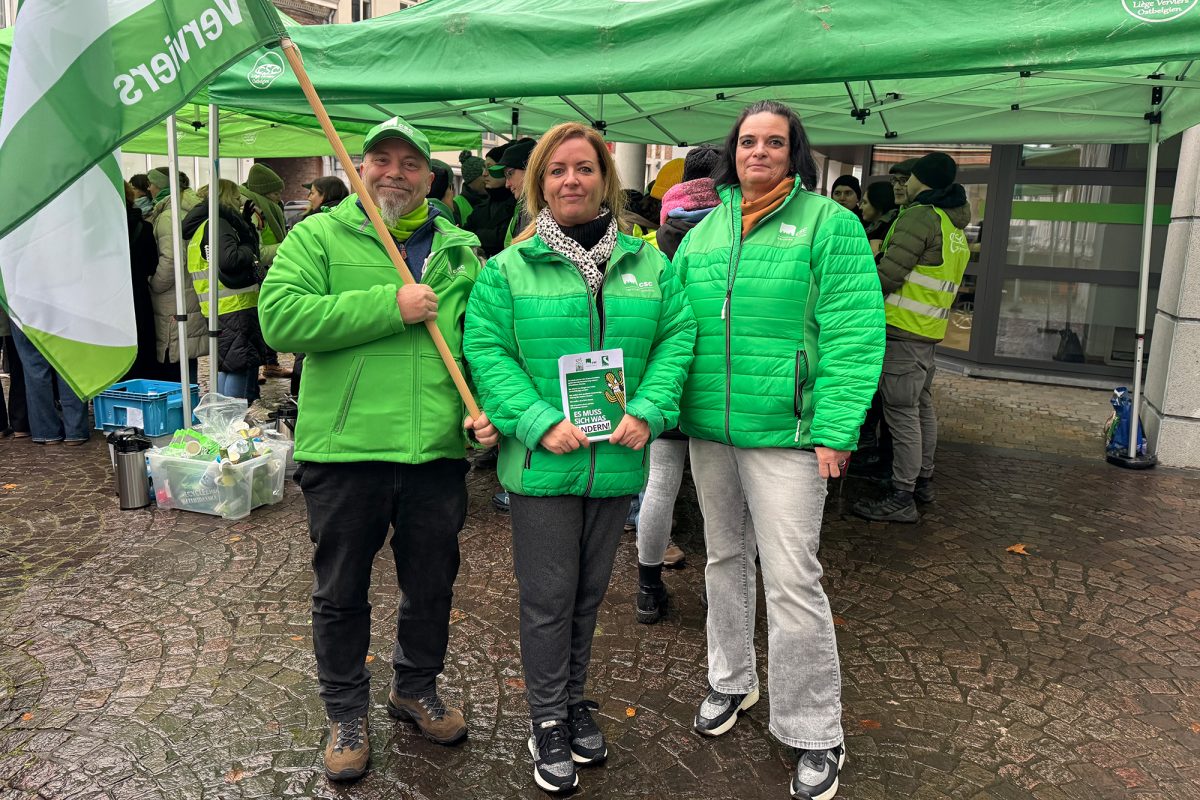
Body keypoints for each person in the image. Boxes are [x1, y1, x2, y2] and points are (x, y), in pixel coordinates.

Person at [258, 116, 497, 783]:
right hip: (346, 451)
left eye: (409, 163)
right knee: (341, 591)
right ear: (361, 168)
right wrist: (389, 304)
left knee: (431, 586)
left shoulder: (458, 250)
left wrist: (485, 409)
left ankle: (414, 688)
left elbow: (478, 345)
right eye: (380, 160)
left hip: (433, 455)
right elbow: (281, 319)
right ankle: (344, 711)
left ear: (430, 175)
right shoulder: (319, 236)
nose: (394, 172)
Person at [464, 121, 695, 794]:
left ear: (604, 179)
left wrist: (648, 410)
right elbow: (488, 352)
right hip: (545, 465)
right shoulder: (507, 269)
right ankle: (546, 720)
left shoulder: (649, 264)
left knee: (589, 596)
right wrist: (537, 423)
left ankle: (569, 701)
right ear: (540, 182)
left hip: (616, 458)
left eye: (584, 168)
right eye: (558, 169)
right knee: (547, 597)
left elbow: (678, 338)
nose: (572, 179)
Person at [672, 100, 884, 800]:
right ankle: (731, 681)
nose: (757, 152)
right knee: (725, 560)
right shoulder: (704, 235)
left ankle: (815, 729)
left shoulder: (831, 225)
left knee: (794, 582)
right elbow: (676, 329)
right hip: (711, 429)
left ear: (796, 154)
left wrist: (836, 426)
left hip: (789, 436)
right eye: (748, 142)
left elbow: (854, 332)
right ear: (732, 152)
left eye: (774, 142)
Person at [630, 144, 724, 624]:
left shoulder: (651, 243)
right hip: (716, 382)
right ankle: (719, 589)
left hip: (664, 380)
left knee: (659, 485)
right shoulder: (734, 234)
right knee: (721, 493)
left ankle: (648, 589)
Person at [853, 152, 970, 524]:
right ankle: (922, 481)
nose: (903, 185)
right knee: (920, 409)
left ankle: (902, 494)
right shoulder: (953, 224)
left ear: (921, 178)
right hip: (927, 333)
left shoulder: (920, 216)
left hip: (901, 329)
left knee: (901, 414)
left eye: (909, 177)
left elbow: (886, 277)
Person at [182, 180, 266, 403]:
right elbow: (229, 259)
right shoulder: (218, 223)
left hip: (219, 304)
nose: (240, 200)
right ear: (226, 197)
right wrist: (250, 247)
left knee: (228, 364)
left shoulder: (204, 225)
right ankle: (231, 420)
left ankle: (222, 416)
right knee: (238, 364)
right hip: (234, 304)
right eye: (236, 196)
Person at [147, 168, 208, 384]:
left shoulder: (168, 216)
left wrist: (154, 284)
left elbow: (171, 261)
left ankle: (181, 414)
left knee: (174, 360)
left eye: (152, 183)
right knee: (185, 358)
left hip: (172, 299)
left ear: (163, 187)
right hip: (189, 294)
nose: (149, 188)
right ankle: (187, 410)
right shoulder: (188, 210)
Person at [123, 181, 161, 380]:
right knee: (142, 344)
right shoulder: (144, 227)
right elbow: (151, 264)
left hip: (111, 297)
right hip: (139, 294)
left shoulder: (101, 228)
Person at [464, 141, 518, 258]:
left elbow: (502, 238)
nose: (484, 174)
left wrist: (475, 235)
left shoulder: (519, 206)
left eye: (490, 168)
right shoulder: (481, 207)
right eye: (484, 167)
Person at [0, 307, 29, 438]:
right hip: (14, 311)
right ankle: (20, 423)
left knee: (19, 367)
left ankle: (0, 426)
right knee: (19, 368)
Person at [861, 180, 899, 255]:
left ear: (878, 204)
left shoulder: (887, 230)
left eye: (865, 202)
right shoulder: (870, 227)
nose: (860, 207)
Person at [455, 150, 488, 225]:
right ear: (472, 180)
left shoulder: (493, 200)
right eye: (483, 175)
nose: (487, 178)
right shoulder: (456, 204)